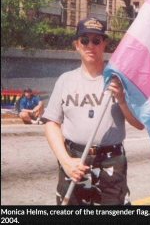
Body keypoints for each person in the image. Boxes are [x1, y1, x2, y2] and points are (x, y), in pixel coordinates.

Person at [43, 17, 144, 206]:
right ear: (76, 45)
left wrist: (121, 98)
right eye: (85, 40)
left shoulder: (119, 81)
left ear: (104, 44)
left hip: (110, 162)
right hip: (74, 160)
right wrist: (65, 161)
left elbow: (139, 124)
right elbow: (51, 124)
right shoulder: (65, 80)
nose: (91, 45)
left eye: (97, 40)